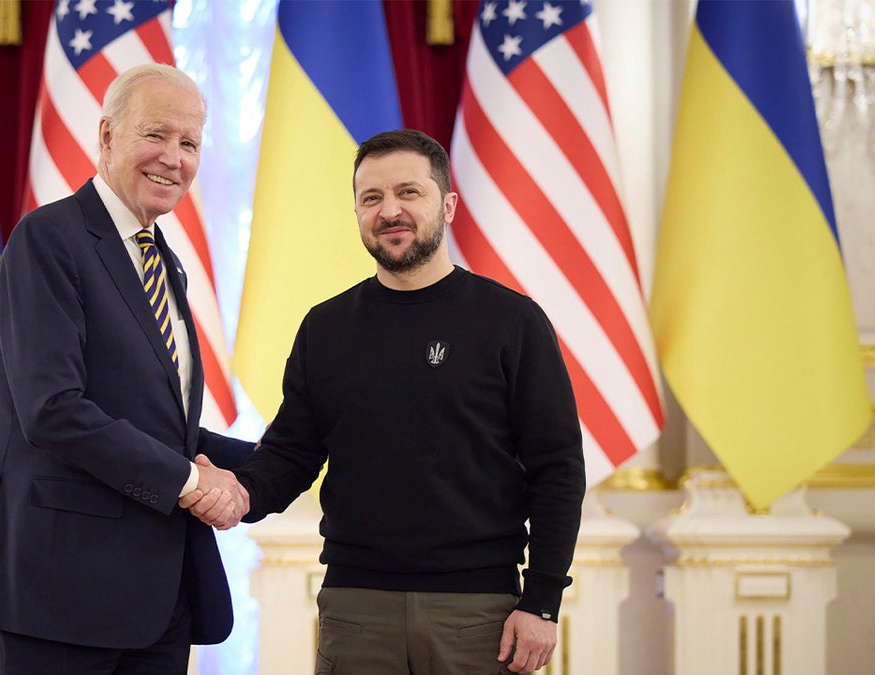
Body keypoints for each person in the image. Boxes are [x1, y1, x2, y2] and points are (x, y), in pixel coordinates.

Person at [192, 129, 586, 674]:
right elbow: (292, 455)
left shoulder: (512, 322)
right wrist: (236, 493)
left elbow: (558, 469)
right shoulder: (325, 328)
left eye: (409, 192)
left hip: (480, 614)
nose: (389, 211)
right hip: (355, 609)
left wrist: (542, 599)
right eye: (371, 198)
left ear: (447, 204)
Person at [0, 64, 253, 674]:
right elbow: (54, 410)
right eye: (156, 135)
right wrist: (193, 483)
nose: (173, 159)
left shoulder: (164, 262)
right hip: (61, 599)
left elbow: (159, 427)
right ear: (106, 136)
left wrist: (291, 456)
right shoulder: (47, 240)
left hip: (158, 601)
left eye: (190, 143)